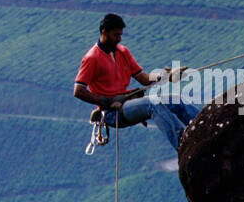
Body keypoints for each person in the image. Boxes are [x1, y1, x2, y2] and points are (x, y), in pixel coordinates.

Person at [72, 13, 201, 152]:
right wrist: (105, 101)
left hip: (127, 102)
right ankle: (183, 142)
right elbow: (78, 91)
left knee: (175, 98)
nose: (119, 39)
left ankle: (202, 127)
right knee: (153, 104)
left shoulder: (122, 52)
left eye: (120, 35)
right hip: (113, 112)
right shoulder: (92, 58)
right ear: (104, 32)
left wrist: (166, 76)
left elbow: (143, 78)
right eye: (116, 35)